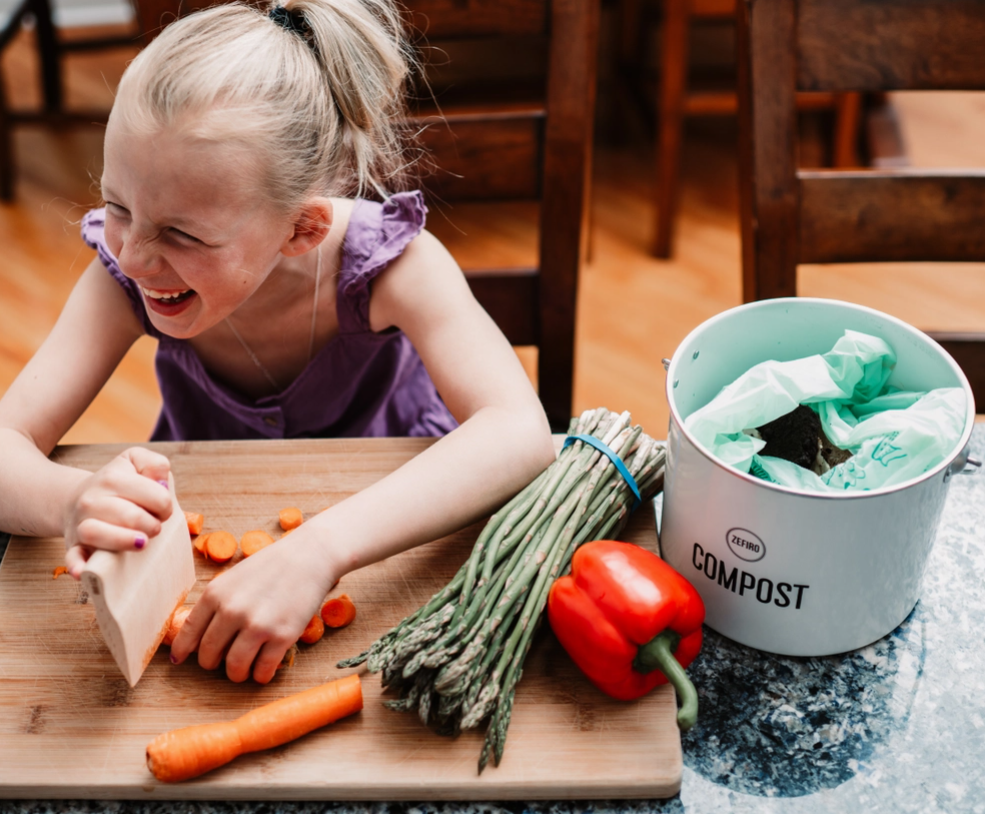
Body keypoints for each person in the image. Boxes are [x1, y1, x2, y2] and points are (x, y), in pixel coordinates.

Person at [0, 0, 555, 683]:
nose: (133, 256)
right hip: (217, 511)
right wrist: (71, 501)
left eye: (182, 234)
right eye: (116, 205)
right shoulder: (121, 274)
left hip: (406, 531)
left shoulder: (393, 265)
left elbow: (520, 432)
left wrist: (319, 550)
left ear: (303, 229)